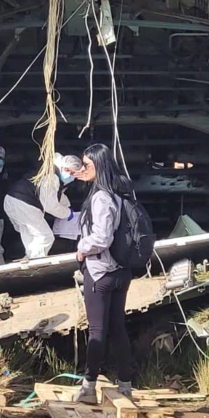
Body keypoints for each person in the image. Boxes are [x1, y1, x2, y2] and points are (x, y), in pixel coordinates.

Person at [71, 144, 134, 404]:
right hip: (121, 271)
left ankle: (88, 388)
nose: (82, 169)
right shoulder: (120, 196)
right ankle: (126, 385)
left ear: (99, 165)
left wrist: (81, 250)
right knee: (118, 328)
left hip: (100, 272)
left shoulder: (101, 198)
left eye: (87, 164)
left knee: (97, 331)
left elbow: (102, 237)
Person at [3, 153, 83, 260]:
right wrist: (67, 213)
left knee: (31, 237)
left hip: (13, 200)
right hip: (24, 202)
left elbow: (57, 195)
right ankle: (36, 265)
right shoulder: (52, 177)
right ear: (61, 167)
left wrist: (67, 206)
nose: (69, 175)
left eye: (73, 173)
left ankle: (29, 260)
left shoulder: (54, 175)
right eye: (67, 170)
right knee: (45, 237)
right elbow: (50, 205)